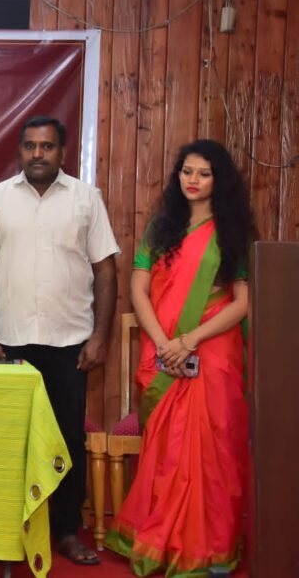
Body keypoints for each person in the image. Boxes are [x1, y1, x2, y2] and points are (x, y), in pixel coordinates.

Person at [0, 115, 118, 566]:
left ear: (62, 152)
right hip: (6, 345)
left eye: (46, 146)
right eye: (30, 145)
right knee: (7, 442)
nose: (37, 154)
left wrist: (101, 336)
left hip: (69, 343)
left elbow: (105, 271)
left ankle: (67, 530)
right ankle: (5, 529)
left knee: (66, 440)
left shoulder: (86, 199)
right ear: (20, 150)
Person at [105, 140, 253, 576]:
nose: (193, 180)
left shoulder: (233, 232)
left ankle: (210, 548)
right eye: (187, 171)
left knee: (213, 451)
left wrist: (189, 340)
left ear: (219, 180)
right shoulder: (161, 227)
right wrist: (163, 342)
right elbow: (138, 289)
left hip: (213, 351)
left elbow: (243, 302)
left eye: (204, 173)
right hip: (163, 352)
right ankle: (162, 541)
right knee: (169, 452)